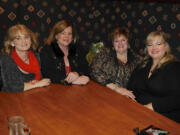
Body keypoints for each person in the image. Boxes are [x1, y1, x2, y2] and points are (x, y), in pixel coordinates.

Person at [127, 31, 180, 123]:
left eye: (158, 44)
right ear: (147, 48)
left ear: (166, 47)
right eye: (150, 45)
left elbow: (177, 98)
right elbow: (130, 87)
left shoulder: (174, 67)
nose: (154, 48)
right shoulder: (142, 65)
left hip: (165, 117)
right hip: (139, 112)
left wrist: (152, 107)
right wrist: (127, 95)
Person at [90, 27, 142, 99]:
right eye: (116, 41)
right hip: (103, 94)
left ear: (128, 42)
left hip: (126, 98)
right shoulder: (105, 53)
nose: (120, 43)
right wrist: (116, 88)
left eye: (123, 40)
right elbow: (94, 71)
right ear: (113, 44)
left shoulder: (137, 59)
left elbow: (141, 83)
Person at [0, 24, 51, 92]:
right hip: (11, 98)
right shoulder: (7, 59)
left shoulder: (36, 56)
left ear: (30, 40)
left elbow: (41, 79)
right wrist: (37, 84)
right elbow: (10, 87)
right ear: (12, 43)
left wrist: (38, 83)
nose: (24, 41)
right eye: (18, 38)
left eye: (26, 37)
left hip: (33, 94)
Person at [40, 19, 89, 85]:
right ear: (56, 35)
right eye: (63, 33)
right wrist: (70, 81)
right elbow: (48, 74)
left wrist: (77, 73)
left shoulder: (78, 48)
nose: (67, 36)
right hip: (55, 89)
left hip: (77, 89)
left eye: (70, 33)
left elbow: (85, 68)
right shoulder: (47, 50)